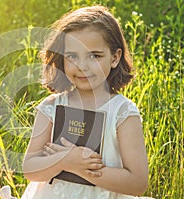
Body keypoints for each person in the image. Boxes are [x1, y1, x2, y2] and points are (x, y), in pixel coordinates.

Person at [21, 5, 150, 199]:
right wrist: (65, 161)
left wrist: (81, 167)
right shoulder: (52, 107)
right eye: (72, 56)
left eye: (94, 56)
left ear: (115, 58)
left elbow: (138, 183)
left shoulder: (122, 112)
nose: (82, 66)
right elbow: (30, 169)